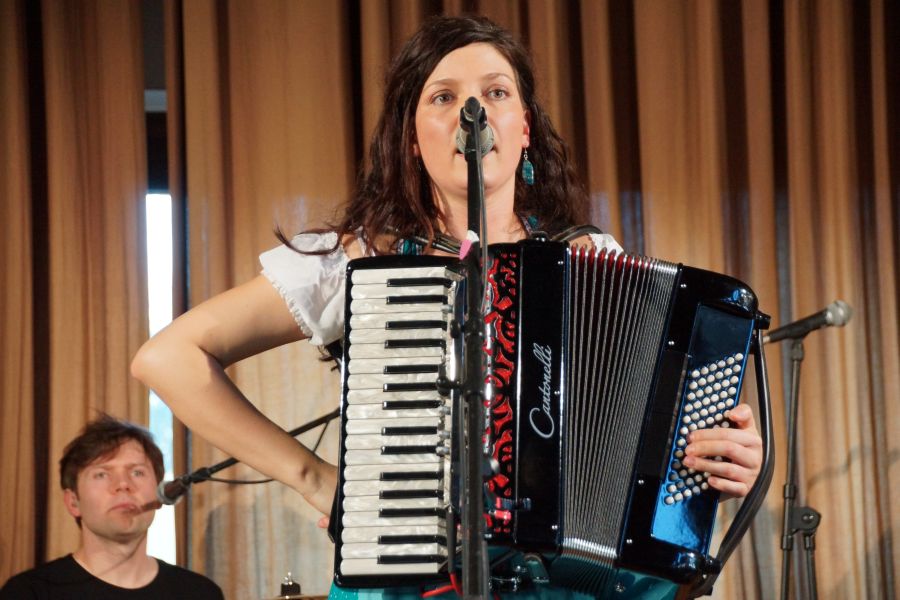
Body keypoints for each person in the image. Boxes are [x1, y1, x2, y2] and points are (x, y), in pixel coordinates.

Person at [130, 14, 763, 599]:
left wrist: (721, 458)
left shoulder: (592, 258)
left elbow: (648, 446)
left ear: (524, 128)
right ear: (412, 138)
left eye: (496, 92)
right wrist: (314, 478)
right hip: (410, 579)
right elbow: (169, 357)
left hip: (572, 582)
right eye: (443, 96)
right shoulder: (360, 257)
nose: (472, 112)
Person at [0, 414, 224, 600]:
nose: (123, 484)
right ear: (73, 502)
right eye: (101, 474)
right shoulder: (28, 592)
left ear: (160, 494)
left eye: (137, 472)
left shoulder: (200, 593)